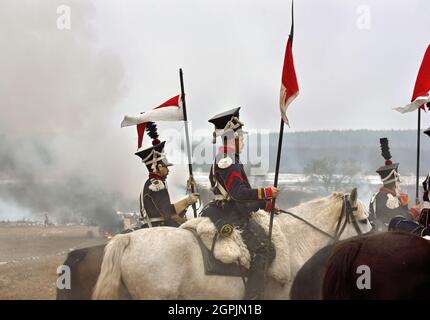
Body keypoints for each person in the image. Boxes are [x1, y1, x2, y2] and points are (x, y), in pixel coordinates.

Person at [201, 107, 278, 300]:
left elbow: (241, 195)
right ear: (232, 138)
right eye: (241, 137)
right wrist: (266, 192)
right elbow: (239, 194)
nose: (243, 141)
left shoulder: (228, 159)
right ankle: (253, 299)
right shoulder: (227, 161)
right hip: (232, 215)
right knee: (265, 249)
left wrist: (264, 203)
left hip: (232, 209)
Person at [135, 122, 199, 228]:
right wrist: (187, 201)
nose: (168, 170)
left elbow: (168, 212)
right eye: (166, 167)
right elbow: (168, 212)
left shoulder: (153, 183)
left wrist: (186, 204)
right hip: (159, 227)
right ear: (159, 167)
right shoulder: (156, 185)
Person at [369, 138, 416, 231]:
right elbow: (400, 222)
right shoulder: (388, 198)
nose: (399, 182)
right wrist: (414, 211)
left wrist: (404, 205)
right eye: (397, 180)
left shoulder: (378, 196)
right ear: (394, 181)